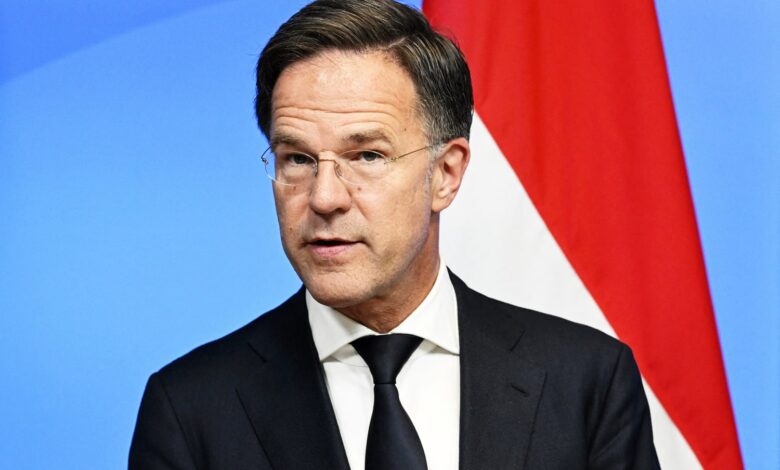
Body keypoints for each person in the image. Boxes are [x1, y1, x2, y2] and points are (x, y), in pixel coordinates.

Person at [129, 1, 660, 469]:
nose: (324, 197)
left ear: (445, 174)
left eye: (367, 155)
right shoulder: (190, 409)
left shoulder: (587, 380)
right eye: (298, 159)